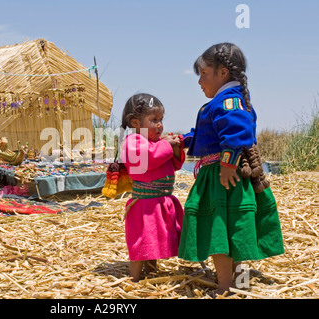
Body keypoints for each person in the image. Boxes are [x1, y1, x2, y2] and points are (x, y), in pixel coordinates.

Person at [178, 43, 284, 296]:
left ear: (222, 73)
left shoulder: (228, 102)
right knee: (233, 228)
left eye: (204, 73)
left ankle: (225, 287)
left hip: (221, 178)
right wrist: (182, 141)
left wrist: (226, 164)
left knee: (219, 229)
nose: (200, 81)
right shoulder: (229, 101)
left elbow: (237, 133)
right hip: (228, 175)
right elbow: (210, 135)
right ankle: (237, 283)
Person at [120, 93, 185, 282]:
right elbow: (148, 159)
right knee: (142, 241)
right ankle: (134, 279)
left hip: (160, 201)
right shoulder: (132, 142)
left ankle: (151, 273)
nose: (160, 124)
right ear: (135, 123)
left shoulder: (155, 143)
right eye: (154, 119)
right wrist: (165, 145)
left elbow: (172, 165)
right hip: (145, 206)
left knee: (154, 242)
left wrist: (176, 149)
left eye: (161, 119)